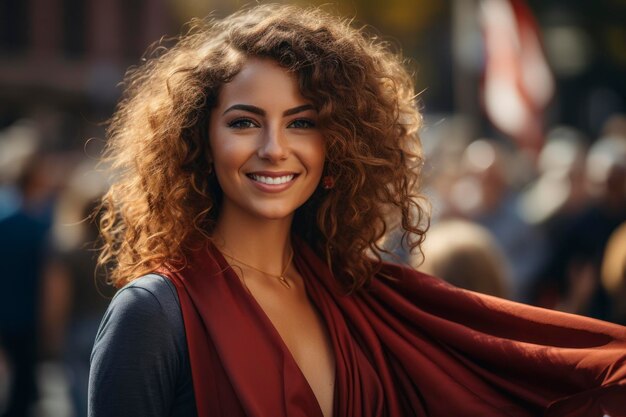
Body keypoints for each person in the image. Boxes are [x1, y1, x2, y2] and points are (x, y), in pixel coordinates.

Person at [88, 5, 626, 417]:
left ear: (339, 142)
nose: (274, 148)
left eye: (302, 122)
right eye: (244, 122)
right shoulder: (153, 316)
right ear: (200, 139)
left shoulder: (361, 295)